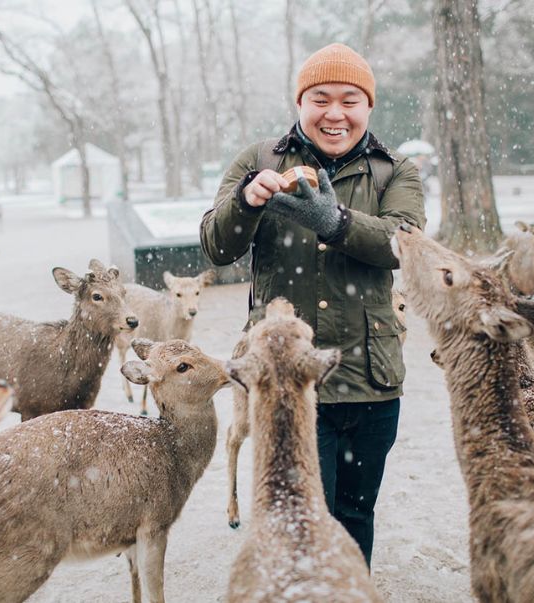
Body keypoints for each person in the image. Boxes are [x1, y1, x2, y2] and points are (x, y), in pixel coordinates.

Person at [200, 43, 426, 566]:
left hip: (370, 378)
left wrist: (336, 221)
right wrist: (246, 203)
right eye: (320, 98)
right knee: (295, 515)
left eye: (350, 100)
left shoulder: (395, 172)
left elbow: (404, 246)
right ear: (300, 103)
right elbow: (216, 246)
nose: (334, 114)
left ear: (368, 106)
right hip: (285, 382)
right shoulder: (258, 161)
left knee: (354, 513)